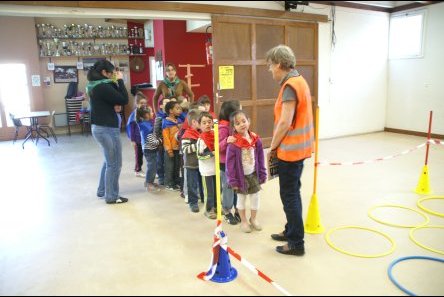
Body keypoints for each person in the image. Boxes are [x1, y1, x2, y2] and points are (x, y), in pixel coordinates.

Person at [266, 45, 314, 255]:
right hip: (300, 149)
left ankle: (296, 243)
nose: (270, 70)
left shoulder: (289, 87)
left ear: (279, 64)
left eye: (270, 65)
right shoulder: (299, 81)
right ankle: (291, 230)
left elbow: (285, 122)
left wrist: (272, 147)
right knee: (293, 192)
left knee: (289, 195)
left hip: (290, 152)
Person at [87, 59, 129, 204]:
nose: (113, 76)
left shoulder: (95, 85)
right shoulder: (103, 87)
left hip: (100, 128)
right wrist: (121, 81)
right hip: (107, 129)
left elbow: (115, 101)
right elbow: (123, 99)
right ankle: (111, 196)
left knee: (108, 161)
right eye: (111, 73)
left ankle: (102, 190)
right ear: (104, 72)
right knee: (115, 163)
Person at [226, 110, 267, 233]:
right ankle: (244, 221)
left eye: (244, 121)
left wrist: (263, 172)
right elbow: (230, 164)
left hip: (253, 174)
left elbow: (260, 157)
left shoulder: (255, 139)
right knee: (241, 199)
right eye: (238, 123)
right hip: (240, 177)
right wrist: (232, 180)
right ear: (234, 127)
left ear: (249, 121)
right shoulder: (233, 143)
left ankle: (253, 219)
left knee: (255, 197)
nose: (242, 124)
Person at [218, 100, 242, 225]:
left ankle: (238, 208)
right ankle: (226, 210)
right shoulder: (222, 128)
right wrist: (227, 140)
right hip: (225, 164)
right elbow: (218, 147)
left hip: (237, 162)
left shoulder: (236, 126)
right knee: (228, 188)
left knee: (237, 186)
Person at [196, 111, 217, 220]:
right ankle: (208, 210)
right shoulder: (201, 139)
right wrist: (211, 154)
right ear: (199, 125)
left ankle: (217, 207)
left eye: (209, 122)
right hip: (207, 170)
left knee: (217, 190)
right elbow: (199, 156)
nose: (207, 124)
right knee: (209, 191)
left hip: (216, 168)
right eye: (204, 123)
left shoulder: (215, 134)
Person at [181, 109, 202, 212]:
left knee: (201, 184)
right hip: (190, 165)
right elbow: (185, 149)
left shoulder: (199, 133)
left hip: (200, 164)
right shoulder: (187, 134)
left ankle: (202, 199)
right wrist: (198, 145)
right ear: (194, 122)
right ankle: (193, 203)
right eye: (201, 121)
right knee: (192, 185)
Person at [137, 107, 162, 192]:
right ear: (146, 115)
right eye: (151, 112)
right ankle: (148, 183)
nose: (153, 114)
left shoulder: (146, 124)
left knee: (153, 166)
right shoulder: (146, 127)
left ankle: (149, 181)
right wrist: (160, 141)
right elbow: (152, 141)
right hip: (149, 150)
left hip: (150, 149)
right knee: (152, 167)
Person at [162, 100, 183, 191]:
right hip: (170, 149)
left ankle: (176, 181)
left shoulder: (178, 121)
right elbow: (166, 138)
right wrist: (169, 150)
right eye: (177, 109)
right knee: (169, 167)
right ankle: (169, 183)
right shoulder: (166, 123)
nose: (180, 110)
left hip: (178, 148)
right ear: (170, 111)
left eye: (180, 108)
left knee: (176, 166)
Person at [127, 91, 148, 178]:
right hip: (137, 139)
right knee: (138, 155)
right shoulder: (135, 114)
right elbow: (131, 128)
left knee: (143, 154)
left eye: (145, 103)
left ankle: (140, 169)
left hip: (143, 138)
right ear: (137, 103)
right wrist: (132, 140)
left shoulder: (144, 112)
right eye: (141, 103)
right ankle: (137, 170)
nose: (143, 104)